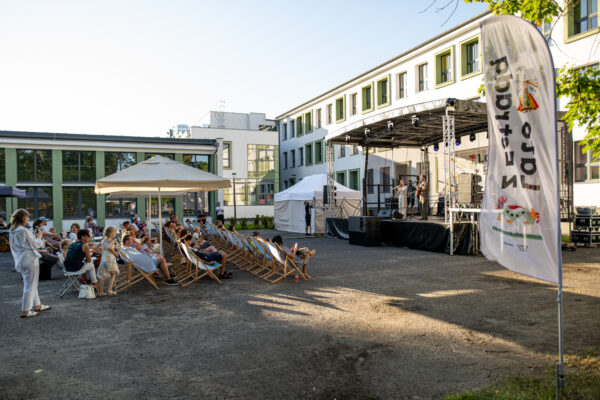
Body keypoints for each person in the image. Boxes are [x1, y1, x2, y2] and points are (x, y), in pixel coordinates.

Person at [9, 209, 51, 318]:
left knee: (31, 283)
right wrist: (39, 237)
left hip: (21, 260)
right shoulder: (23, 231)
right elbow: (34, 244)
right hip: (30, 259)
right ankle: (26, 310)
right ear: (23, 218)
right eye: (27, 217)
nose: (28, 219)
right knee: (30, 285)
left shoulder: (12, 231)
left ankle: (37, 305)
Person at [64, 228, 100, 292]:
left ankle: (87, 281)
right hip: (75, 268)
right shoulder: (85, 245)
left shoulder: (72, 244)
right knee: (91, 265)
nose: (89, 238)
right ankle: (95, 283)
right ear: (83, 237)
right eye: (88, 236)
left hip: (66, 268)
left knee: (86, 264)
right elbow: (88, 260)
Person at [97, 227, 120, 296]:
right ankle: (109, 290)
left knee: (102, 275)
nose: (115, 235)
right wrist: (115, 253)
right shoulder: (112, 241)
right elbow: (110, 248)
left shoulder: (103, 240)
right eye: (114, 233)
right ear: (111, 234)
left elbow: (95, 248)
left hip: (104, 259)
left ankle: (101, 292)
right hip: (110, 259)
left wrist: (102, 253)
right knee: (112, 275)